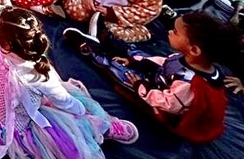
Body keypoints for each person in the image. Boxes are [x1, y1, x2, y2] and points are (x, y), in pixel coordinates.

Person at [0, 7, 138, 159]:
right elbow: (66, 103)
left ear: (6, 43)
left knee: (56, 100)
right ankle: (103, 126)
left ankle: (100, 125)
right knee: (78, 115)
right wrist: (82, 111)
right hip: (17, 126)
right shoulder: (40, 77)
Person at [68, 11, 230, 144]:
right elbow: (166, 63)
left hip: (160, 102)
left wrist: (140, 85)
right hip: (163, 81)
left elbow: (168, 104)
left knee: (121, 73)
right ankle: (108, 38)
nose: (169, 32)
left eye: (175, 32)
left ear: (194, 50)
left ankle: (89, 50)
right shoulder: (189, 60)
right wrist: (136, 62)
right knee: (138, 56)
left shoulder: (189, 85)